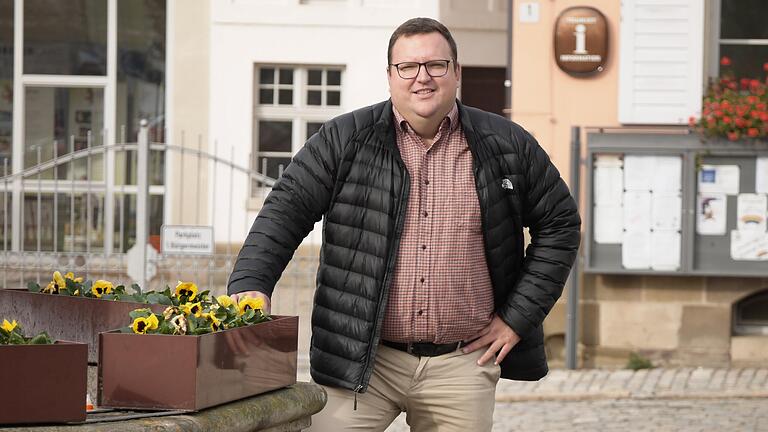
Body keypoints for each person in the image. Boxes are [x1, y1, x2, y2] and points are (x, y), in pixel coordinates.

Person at [228, 17, 581, 431]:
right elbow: (284, 211)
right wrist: (252, 281)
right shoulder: (344, 140)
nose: (422, 78)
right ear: (390, 75)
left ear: (456, 72)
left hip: (461, 366)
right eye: (408, 67)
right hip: (360, 361)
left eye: (436, 65)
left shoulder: (508, 144)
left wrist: (517, 317)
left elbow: (561, 224)